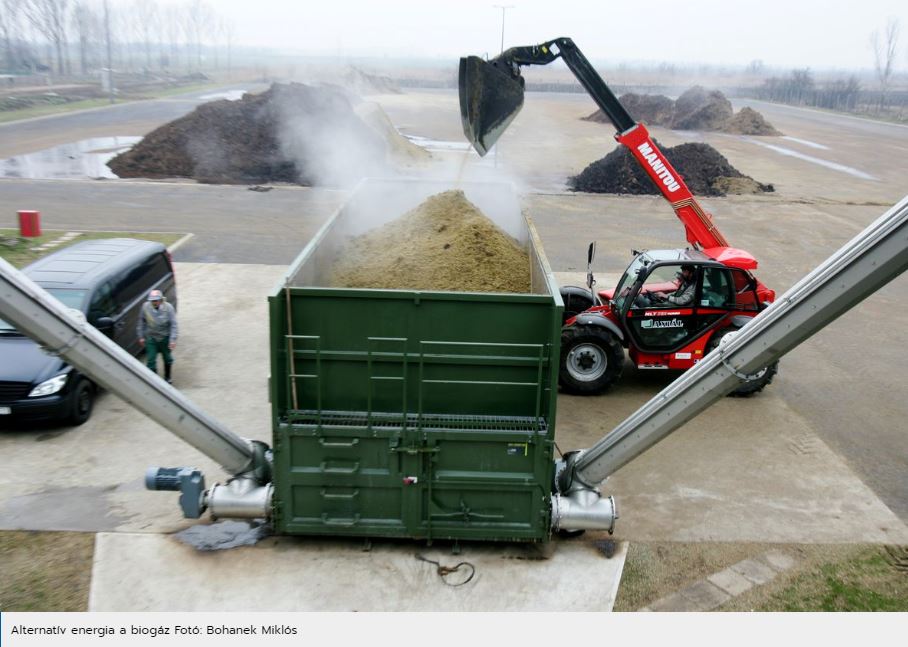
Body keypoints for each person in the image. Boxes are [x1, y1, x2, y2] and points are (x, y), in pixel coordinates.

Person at [137, 289, 178, 383]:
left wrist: (172, 340)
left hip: (164, 337)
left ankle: (168, 377)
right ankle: (155, 381)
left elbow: (174, 325)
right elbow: (141, 322)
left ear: (160, 300)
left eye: (156, 300)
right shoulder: (145, 307)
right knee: (150, 360)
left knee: (168, 358)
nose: (154, 302)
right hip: (151, 337)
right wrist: (141, 336)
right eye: (152, 301)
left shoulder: (168, 308)